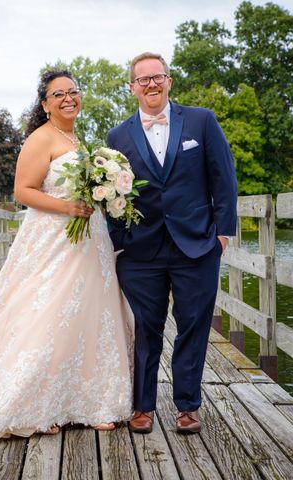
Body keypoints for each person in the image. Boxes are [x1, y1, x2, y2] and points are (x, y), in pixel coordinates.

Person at [0, 69, 134, 439]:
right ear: (44, 104)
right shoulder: (41, 138)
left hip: (89, 242)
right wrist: (68, 208)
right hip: (54, 240)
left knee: (87, 313)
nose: (69, 98)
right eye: (58, 94)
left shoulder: (75, 139)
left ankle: (90, 401)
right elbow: (23, 191)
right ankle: (36, 403)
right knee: (50, 312)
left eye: (73, 91)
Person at [106, 52, 237, 434]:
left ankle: (187, 405)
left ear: (169, 81)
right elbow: (113, 196)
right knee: (146, 327)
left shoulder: (201, 120)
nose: (151, 84)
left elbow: (223, 178)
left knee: (193, 325)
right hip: (141, 250)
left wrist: (223, 235)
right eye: (142, 79)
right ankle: (143, 406)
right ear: (132, 87)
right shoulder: (117, 136)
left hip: (197, 246)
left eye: (157, 77)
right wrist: (118, 241)